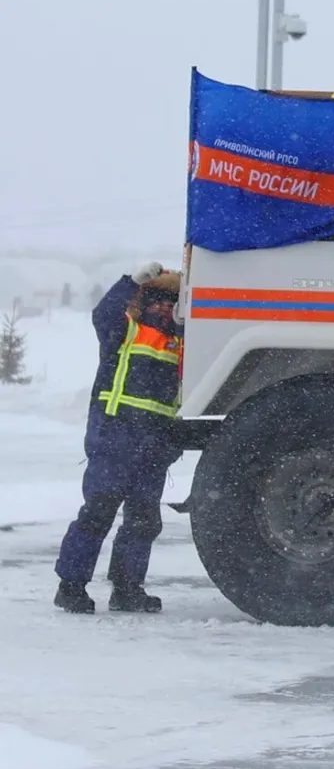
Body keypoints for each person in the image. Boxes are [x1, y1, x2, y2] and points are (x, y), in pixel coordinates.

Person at [53, 262, 184, 613]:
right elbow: (104, 313)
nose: (163, 308)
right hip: (116, 439)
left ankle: (127, 590)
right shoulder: (125, 331)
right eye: (156, 299)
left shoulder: (182, 345)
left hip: (155, 445)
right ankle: (71, 586)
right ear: (144, 302)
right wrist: (131, 282)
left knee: (143, 520)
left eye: (170, 302)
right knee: (98, 512)